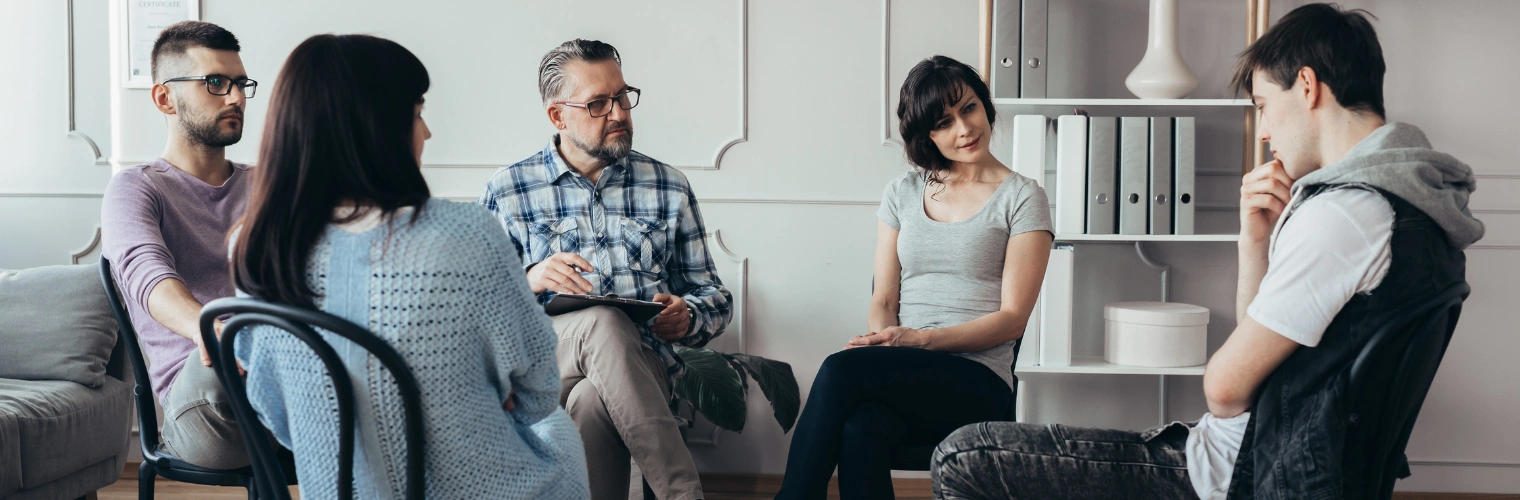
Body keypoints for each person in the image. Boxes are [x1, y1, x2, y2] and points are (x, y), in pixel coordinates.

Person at [930, 4, 1484, 499]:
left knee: (961, 457)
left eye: (1264, 105)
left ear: (1308, 87)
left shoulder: (1343, 215)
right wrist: (1256, 241)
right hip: (1268, 461)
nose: (1264, 131)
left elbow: (1223, 387)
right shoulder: (1414, 203)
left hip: (1229, 473)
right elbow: (1263, 345)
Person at [229, 34, 589, 499]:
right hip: (481, 490)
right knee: (559, 428)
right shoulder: (466, 235)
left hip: (338, 490)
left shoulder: (254, 245)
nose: (427, 132)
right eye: (417, 113)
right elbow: (538, 391)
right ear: (375, 128)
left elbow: (276, 411)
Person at [774, 55, 1053, 500]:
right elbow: (883, 299)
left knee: (839, 370)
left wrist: (916, 341)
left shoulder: (1023, 197)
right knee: (859, 427)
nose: (964, 129)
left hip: (977, 379)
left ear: (985, 105)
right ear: (926, 135)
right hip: (906, 370)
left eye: (969, 108)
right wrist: (889, 346)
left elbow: (1013, 319)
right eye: (944, 122)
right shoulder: (902, 192)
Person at [478, 38, 731, 500]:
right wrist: (529, 278)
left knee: (593, 400)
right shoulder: (508, 190)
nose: (618, 112)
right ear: (558, 116)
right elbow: (474, 314)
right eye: (598, 103)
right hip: (538, 369)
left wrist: (688, 314)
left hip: (643, 366)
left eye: (622, 96)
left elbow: (713, 295)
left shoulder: (668, 186)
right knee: (600, 320)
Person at [99, 20, 257, 470]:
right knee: (233, 359)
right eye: (215, 83)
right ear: (165, 97)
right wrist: (208, 328)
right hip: (202, 404)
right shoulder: (135, 188)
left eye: (241, 84)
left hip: (277, 368)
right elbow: (148, 278)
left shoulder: (269, 184)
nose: (236, 98)